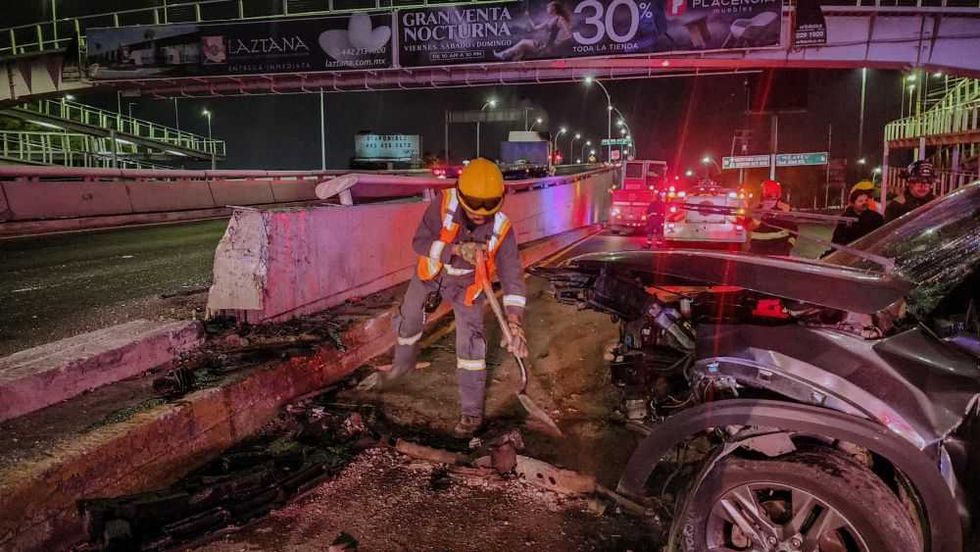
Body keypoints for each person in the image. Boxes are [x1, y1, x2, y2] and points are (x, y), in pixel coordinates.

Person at [386, 158, 529, 438]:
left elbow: (512, 276)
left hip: (469, 288)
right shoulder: (443, 204)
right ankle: (402, 366)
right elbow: (419, 242)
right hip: (431, 275)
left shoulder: (502, 228)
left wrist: (515, 322)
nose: (481, 212)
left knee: (471, 348)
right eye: (476, 204)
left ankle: (472, 414)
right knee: (409, 320)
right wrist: (453, 250)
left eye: (489, 205)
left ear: (500, 199)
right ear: (461, 195)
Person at [494, 1, 572, 61]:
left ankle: (503, 55)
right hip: (542, 43)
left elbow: (568, 34)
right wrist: (528, 17)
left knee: (523, 43)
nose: (547, 8)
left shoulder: (560, 19)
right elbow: (535, 28)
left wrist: (557, 42)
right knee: (520, 51)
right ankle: (512, 63)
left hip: (547, 47)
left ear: (553, 8)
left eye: (548, 7)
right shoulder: (550, 20)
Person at [747, 179, 798, 256]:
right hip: (757, 252)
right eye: (768, 198)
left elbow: (794, 231)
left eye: (774, 198)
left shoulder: (784, 210)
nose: (771, 201)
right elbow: (748, 228)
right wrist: (761, 214)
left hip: (779, 253)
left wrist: (789, 246)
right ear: (762, 197)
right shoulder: (754, 209)